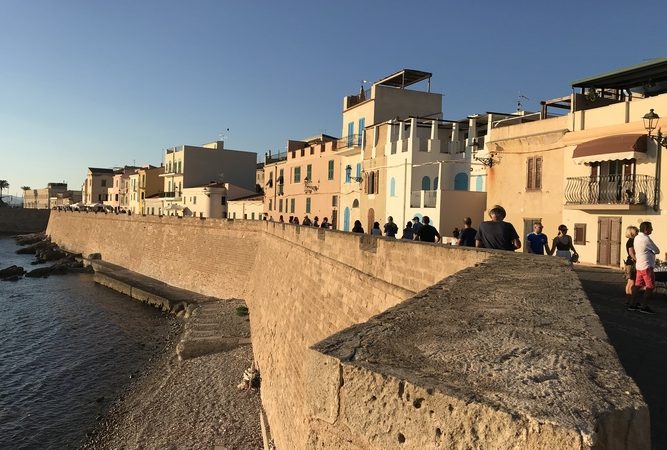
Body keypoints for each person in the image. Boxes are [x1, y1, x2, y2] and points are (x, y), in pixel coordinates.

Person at [629, 221, 660, 314]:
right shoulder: (646, 239)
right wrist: (651, 252)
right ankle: (644, 306)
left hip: (639, 265)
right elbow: (657, 250)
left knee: (637, 285)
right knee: (650, 287)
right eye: (651, 228)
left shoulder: (637, 237)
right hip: (647, 266)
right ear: (646, 230)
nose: (652, 229)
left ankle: (632, 304)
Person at [624, 226, 638, 305]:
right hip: (631, 263)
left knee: (630, 283)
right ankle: (630, 300)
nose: (638, 232)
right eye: (636, 231)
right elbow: (631, 253)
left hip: (629, 263)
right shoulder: (631, 241)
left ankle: (628, 300)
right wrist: (637, 260)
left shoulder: (630, 241)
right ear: (632, 232)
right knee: (632, 283)